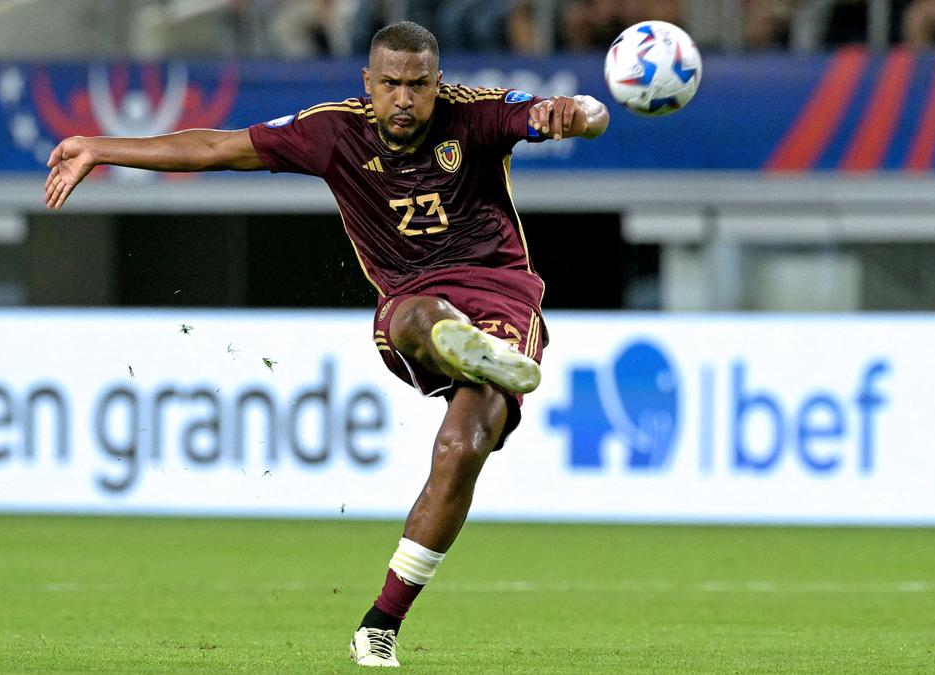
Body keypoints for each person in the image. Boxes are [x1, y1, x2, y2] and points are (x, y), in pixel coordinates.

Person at [43, 21, 609, 667]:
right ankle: (457, 342)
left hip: (501, 296)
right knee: (419, 316)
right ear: (367, 84)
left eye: (418, 86)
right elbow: (216, 147)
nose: (404, 99)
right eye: (390, 84)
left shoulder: (476, 115)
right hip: (412, 298)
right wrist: (99, 146)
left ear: (437, 84)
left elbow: (581, 116)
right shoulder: (332, 130)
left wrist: (578, 113)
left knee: (461, 445)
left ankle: (379, 625)